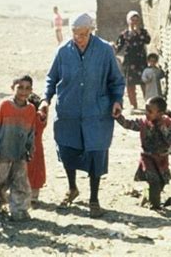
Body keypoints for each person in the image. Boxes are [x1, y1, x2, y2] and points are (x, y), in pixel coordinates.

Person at [39, 13, 125, 218]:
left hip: (97, 113)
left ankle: (94, 199)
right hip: (69, 111)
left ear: (91, 31)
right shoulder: (62, 51)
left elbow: (117, 80)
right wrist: (45, 100)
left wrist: (117, 101)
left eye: (84, 34)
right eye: (76, 34)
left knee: (96, 152)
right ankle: (72, 188)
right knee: (68, 149)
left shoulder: (104, 50)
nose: (79, 38)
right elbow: (51, 78)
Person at [0, 75, 36, 221]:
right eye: (20, 87)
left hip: (20, 153)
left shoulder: (31, 109)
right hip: (2, 151)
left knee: (21, 183)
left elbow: (31, 131)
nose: (23, 92)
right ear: (12, 88)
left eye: (27, 88)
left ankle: (19, 211)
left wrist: (30, 148)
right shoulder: (5, 105)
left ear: (31, 90)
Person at [115, 96, 171, 210]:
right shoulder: (144, 122)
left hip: (161, 159)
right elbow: (128, 124)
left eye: (150, 111)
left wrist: (163, 129)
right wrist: (118, 116)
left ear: (160, 113)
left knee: (162, 182)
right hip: (147, 157)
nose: (147, 114)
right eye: (145, 110)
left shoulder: (168, 124)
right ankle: (155, 206)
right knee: (154, 181)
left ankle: (148, 196)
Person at [115, 10, 151, 112]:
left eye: (136, 19)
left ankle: (148, 104)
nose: (134, 22)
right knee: (130, 84)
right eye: (132, 20)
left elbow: (148, 41)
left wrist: (139, 33)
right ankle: (133, 105)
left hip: (141, 60)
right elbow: (119, 47)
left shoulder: (143, 32)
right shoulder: (124, 34)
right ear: (128, 21)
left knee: (143, 82)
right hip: (129, 61)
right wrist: (113, 48)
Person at [26, 92, 47, 208]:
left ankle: (30, 196)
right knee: (36, 174)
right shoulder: (40, 120)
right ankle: (34, 197)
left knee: (28, 173)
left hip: (30, 150)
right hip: (37, 150)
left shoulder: (27, 118)